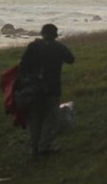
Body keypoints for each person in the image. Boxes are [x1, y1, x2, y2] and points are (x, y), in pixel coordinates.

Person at [19, 23, 75, 155]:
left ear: (42, 33)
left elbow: (22, 65)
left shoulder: (33, 46)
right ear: (55, 35)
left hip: (33, 88)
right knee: (50, 118)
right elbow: (71, 59)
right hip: (52, 87)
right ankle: (45, 146)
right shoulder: (58, 47)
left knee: (35, 119)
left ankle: (34, 148)